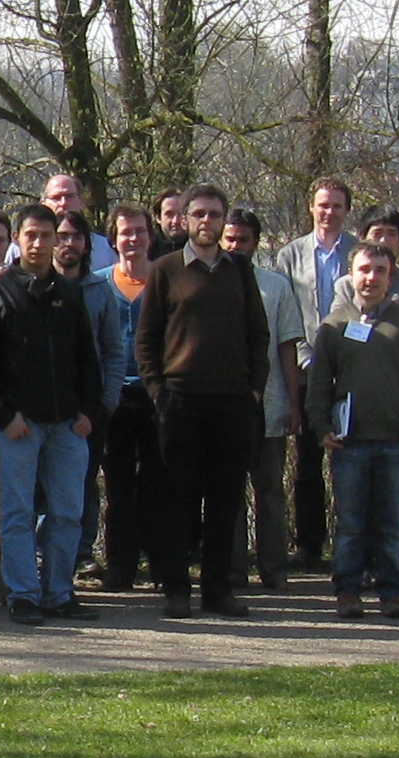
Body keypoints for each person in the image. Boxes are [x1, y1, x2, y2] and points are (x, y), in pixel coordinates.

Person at [129, 185, 268, 619]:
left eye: (215, 215)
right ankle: (176, 588)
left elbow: (258, 334)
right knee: (177, 500)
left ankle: (217, 590)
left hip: (231, 401)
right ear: (185, 220)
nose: (207, 222)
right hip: (180, 401)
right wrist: (158, 392)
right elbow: (146, 339)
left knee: (226, 500)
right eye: (199, 215)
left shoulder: (240, 270)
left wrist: (255, 389)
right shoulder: (166, 270)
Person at [0, 205, 104, 625]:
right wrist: (4, 416)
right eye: (31, 235)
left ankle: (59, 592)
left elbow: (88, 359)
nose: (40, 243)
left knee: (67, 512)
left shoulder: (71, 292)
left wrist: (88, 412)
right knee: (17, 514)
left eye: (48, 235)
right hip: (19, 428)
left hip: (68, 425)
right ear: (18, 240)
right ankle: (24, 594)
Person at [310, 243, 399, 619]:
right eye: (364, 269)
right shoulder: (334, 326)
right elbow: (319, 385)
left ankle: (392, 592)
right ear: (351, 274)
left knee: (394, 524)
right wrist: (321, 428)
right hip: (349, 444)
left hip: (397, 442)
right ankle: (347, 590)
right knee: (350, 524)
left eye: (379, 270)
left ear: (390, 275)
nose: (371, 278)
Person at [264, 178, 359, 573]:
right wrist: (304, 358)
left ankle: (352, 544)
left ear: (346, 210)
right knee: (306, 462)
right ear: (311, 207)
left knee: (351, 459)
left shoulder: (358, 251)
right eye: (323, 205)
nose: (329, 212)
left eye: (337, 205)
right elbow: (286, 313)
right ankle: (308, 544)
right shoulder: (290, 254)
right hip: (304, 369)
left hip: (351, 369)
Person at [226, 209, 313, 591]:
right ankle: (231, 568)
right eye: (229, 239)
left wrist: (294, 404)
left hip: (270, 405)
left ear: (255, 243)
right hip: (223, 406)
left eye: (242, 240)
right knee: (228, 492)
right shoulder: (209, 284)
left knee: (270, 490)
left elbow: (288, 349)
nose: (234, 246)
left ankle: (274, 569)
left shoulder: (274, 287)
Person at [88, 208, 157, 591]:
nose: (133, 239)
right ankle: (121, 566)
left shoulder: (163, 281)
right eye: (125, 232)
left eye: (140, 232)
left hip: (156, 396)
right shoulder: (99, 285)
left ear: (150, 237)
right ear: (114, 239)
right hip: (113, 399)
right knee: (117, 488)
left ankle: (162, 564)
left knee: (157, 484)